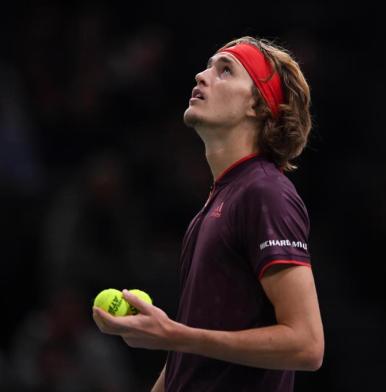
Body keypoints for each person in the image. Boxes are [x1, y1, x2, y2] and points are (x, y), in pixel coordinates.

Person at [92, 35, 324, 392]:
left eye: (225, 71)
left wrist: (176, 335)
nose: (201, 76)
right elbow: (190, 360)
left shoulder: (265, 193)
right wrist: (177, 340)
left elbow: (307, 345)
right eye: (207, 67)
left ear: (258, 106)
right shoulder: (217, 202)